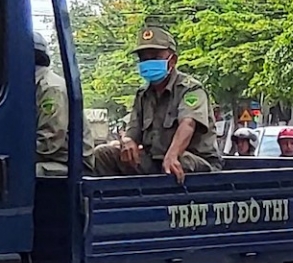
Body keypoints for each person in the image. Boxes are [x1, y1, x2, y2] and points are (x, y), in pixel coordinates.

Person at [86, 26, 220, 180]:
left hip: (196, 162)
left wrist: (173, 154)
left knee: (177, 163)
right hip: (155, 161)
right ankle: (113, 201)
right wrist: (127, 142)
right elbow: (132, 131)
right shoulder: (143, 95)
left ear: (173, 60)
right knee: (102, 154)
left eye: (155, 57)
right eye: (144, 59)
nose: (148, 63)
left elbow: (188, 124)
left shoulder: (190, 89)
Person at [33, 34, 68, 177]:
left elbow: (48, 143)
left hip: (65, 162)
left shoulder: (50, 88)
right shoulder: (29, 86)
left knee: (14, 175)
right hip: (47, 158)